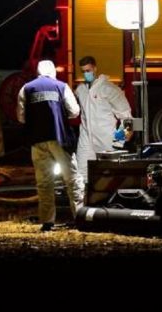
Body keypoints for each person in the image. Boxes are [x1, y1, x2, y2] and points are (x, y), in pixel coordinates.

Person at [16, 60, 82, 232]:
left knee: (44, 182)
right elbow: (74, 112)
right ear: (53, 72)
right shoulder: (61, 86)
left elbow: (21, 117)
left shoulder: (26, 88)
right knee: (72, 180)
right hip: (60, 138)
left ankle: (47, 221)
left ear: (38, 72)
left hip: (37, 140)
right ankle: (80, 217)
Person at [74, 55, 133, 190]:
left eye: (88, 70)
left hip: (106, 140)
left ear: (95, 68)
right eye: (83, 71)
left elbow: (128, 118)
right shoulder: (81, 90)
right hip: (86, 140)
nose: (86, 74)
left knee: (109, 177)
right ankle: (84, 202)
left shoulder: (109, 89)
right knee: (81, 175)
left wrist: (118, 142)